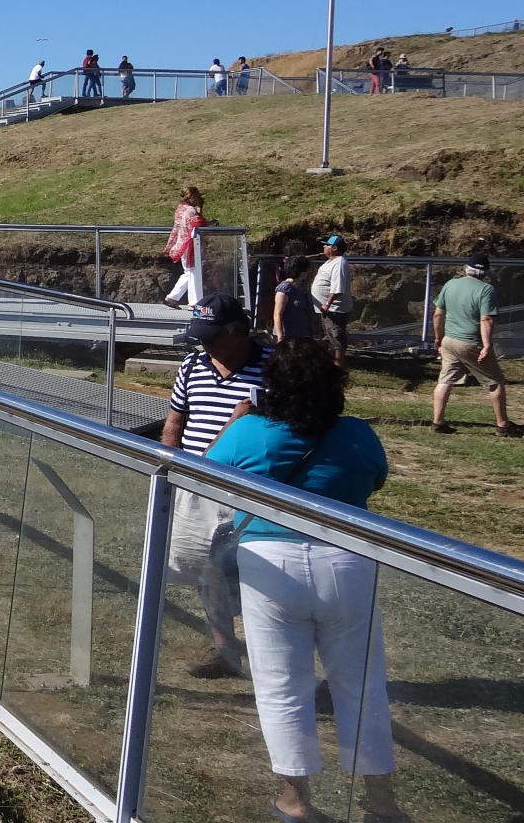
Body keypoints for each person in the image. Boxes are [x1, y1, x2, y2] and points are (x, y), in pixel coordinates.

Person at [206, 338, 402, 823]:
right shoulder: (358, 435)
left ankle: (296, 800)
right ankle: (382, 804)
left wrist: (234, 422)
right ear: (336, 387)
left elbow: (201, 472)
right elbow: (375, 480)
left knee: (281, 684)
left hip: (268, 565)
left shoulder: (249, 431)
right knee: (361, 684)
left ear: (272, 386)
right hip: (348, 563)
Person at [162, 295, 270, 680]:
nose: (202, 343)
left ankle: (266, 650)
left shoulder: (271, 367)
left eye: (211, 335)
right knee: (206, 569)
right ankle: (225, 649)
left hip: (249, 488)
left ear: (237, 331)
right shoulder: (192, 365)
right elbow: (176, 421)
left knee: (251, 572)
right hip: (197, 484)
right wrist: (168, 465)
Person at [431, 252, 521, 436]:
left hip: (449, 341)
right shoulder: (486, 290)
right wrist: (487, 345)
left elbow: (438, 314)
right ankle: (503, 425)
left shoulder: (450, 284)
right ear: (486, 272)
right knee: (495, 382)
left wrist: (438, 338)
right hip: (470, 342)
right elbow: (486, 319)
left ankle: (437, 422)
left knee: (445, 380)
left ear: (466, 268)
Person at [162, 187, 213, 308]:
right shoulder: (191, 211)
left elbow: (176, 228)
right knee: (194, 273)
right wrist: (204, 217)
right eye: (196, 196)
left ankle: (172, 297)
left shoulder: (180, 209)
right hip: (191, 245)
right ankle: (195, 303)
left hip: (182, 245)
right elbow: (198, 224)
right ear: (190, 197)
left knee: (189, 272)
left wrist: (169, 246)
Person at [311, 235, 352, 366]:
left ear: (334, 248)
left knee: (337, 339)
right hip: (327, 310)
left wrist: (327, 303)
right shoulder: (331, 261)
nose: (324, 247)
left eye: (326, 245)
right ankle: (328, 365)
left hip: (335, 310)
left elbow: (338, 289)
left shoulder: (339, 263)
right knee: (328, 339)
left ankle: (337, 367)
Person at [271, 256, 318, 340]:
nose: (308, 272)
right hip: (288, 337)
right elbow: (277, 314)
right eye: (307, 269)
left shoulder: (302, 286)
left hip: (303, 334)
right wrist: (280, 337)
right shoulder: (284, 289)